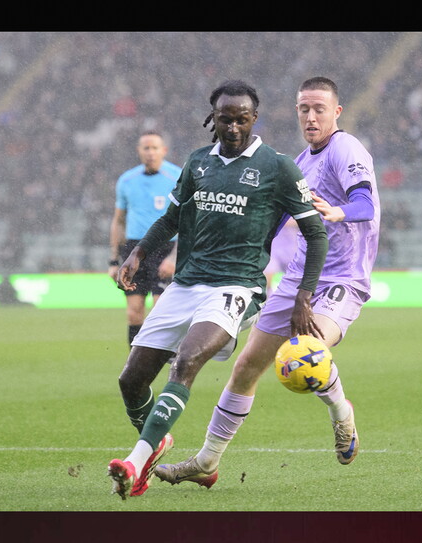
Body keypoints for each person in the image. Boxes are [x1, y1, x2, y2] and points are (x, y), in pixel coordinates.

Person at [106, 80, 328, 500]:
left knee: (186, 360)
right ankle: (158, 440)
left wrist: (304, 296)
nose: (232, 128)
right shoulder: (196, 163)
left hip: (237, 286)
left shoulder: (277, 167)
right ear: (213, 118)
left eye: (241, 119)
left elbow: (317, 236)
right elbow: (171, 219)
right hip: (187, 283)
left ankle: (135, 464)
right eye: (225, 119)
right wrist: (137, 254)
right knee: (131, 382)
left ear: (254, 119)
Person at [154, 76, 381, 489]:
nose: (311, 117)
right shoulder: (301, 160)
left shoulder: (346, 149)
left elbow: (365, 202)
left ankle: (341, 415)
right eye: (304, 109)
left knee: (307, 351)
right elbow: (273, 222)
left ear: (337, 112)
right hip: (297, 275)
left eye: (319, 109)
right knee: (245, 367)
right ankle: (206, 463)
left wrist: (337, 213)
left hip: (342, 278)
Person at [109, 131, 183, 346]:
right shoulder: (127, 180)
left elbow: (186, 223)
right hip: (135, 249)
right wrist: (114, 260)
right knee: (134, 313)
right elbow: (118, 221)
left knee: (160, 310)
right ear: (139, 151)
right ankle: (135, 369)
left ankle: (167, 360)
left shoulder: (177, 177)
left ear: (164, 151)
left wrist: (174, 257)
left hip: (166, 248)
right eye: (146, 148)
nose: (150, 153)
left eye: (154, 148)